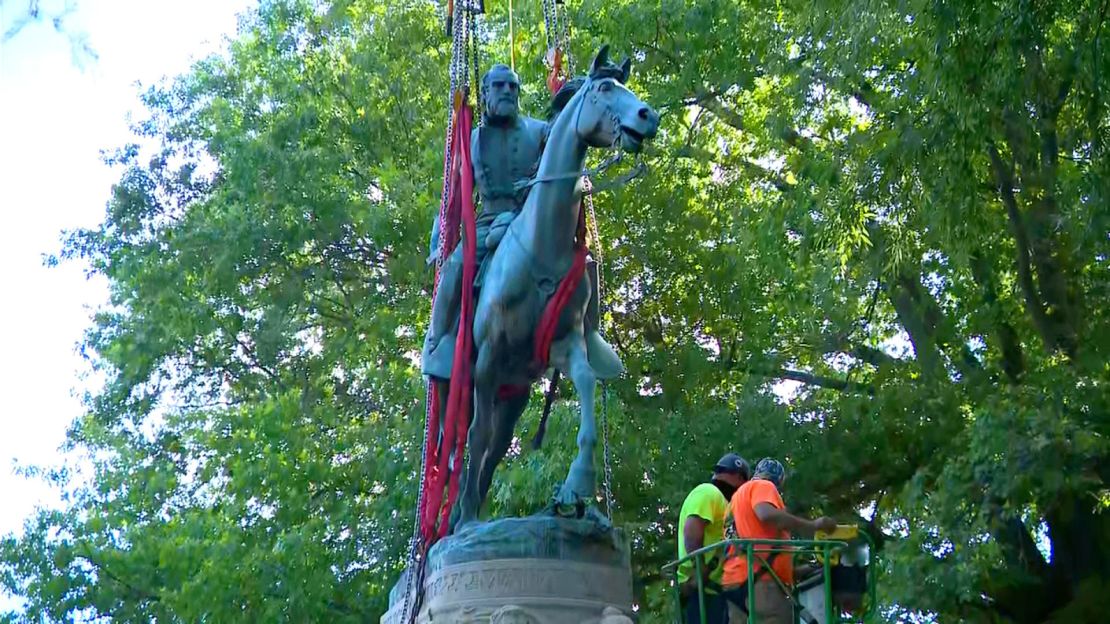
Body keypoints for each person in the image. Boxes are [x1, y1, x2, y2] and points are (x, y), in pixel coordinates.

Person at [422, 63, 548, 380]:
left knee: (580, 263)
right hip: (487, 223)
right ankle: (439, 345)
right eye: (500, 86)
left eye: (513, 87)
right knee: (454, 268)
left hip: (528, 222)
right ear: (486, 92)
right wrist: (439, 238)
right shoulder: (472, 140)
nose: (507, 92)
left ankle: (586, 335)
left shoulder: (539, 130)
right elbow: (452, 194)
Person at [721, 458, 836, 624]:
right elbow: (766, 514)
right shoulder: (763, 486)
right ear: (778, 481)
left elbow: (765, 554)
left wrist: (812, 567)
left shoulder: (733, 503)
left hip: (734, 585)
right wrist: (812, 526)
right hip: (762, 586)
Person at [676, 453, 751, 624]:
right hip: (701, 587)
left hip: (714, 590)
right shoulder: (710, 492)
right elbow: (692, 529)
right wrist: (699, 567)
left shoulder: (725, 505)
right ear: (739, 478)